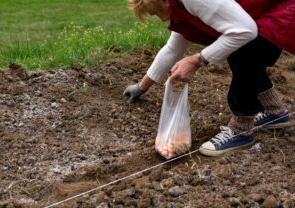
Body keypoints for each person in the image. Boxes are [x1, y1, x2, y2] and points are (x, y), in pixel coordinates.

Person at [124, 0, 294, 157]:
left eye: (158, 11)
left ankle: (241, 131)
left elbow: (245, 30)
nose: (161, 19)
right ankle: (274, 112)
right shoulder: (183, 6)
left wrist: (197, 60)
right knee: (242, 49)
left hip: (285, 14)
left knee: (243, 52)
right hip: (267, 15)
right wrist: (141, 86)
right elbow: (172, 48)